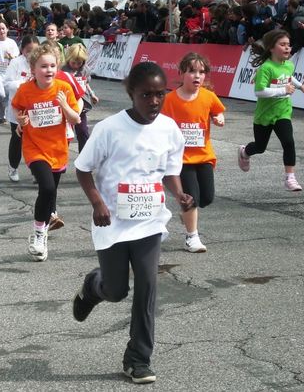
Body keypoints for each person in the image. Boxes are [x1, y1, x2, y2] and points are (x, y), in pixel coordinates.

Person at [71, 61, 193, 384]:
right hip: (111, 221)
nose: (154, 101)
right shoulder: (110, 129)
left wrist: (179, 194)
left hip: (149, 221)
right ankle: (92, 287)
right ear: (131, 94)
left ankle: (138, 358)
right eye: (146, 95)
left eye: (159, 94)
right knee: (115, 290)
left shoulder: (169, 130)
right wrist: (97, 202)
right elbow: (83, 169)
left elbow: (170, 173)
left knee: (148, 286)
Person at [12, 43, 81, 261]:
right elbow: (17, 108)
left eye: (52, 66)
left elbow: (76, 119)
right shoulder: (25, 90)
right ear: (33, 69)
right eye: (43, 66)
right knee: (47, 186)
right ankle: (39, 234)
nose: (48, 70)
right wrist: (20, 120)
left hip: (58, 148)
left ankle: (46, 229)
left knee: (51, 193)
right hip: (34, 148)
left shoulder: (64, 88)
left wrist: (65, 106)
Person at [162, 53, 225, 252]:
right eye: (191, 71)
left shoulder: (208, 97)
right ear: (181, 73)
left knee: (206, 198)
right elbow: (159, 124)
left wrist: (218, 118)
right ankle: (192, 237)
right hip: (181, 159)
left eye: (201, 72)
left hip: (204, 156)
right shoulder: (170, 99)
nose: (197, 76)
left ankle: (187, 214)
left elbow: (217, 110)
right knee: (191, 199)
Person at [238, 29, 304, 191]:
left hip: (283, 112)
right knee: (260, 147)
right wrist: (283, 91)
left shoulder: (289, 65)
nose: (287, 48)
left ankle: (290, 178)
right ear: (272, 47)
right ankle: (244, 152)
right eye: (283, 45)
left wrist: (303, 88)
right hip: (264, 115)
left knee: (288, 142)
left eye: (288, 45)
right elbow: (259, 92)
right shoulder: (266, 68)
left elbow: (290, 77)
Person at [3, 35, 40, 182]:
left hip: (36, 108)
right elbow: (7, 84)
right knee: (18, 138)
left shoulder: (41, 62)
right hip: (18, 107)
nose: (31, 54)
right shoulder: (16, 63)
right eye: (28, 50)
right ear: (22, 49)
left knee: (36, 141)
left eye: (35, 50)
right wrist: (23, 84)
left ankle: (37, 172)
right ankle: (13, 168)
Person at [61, 44, 99, 153]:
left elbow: (86, 83)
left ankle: (83, 158)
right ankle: (62, 155)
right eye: (74, 62)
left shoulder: (84, 70)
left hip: (81, 104)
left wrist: (92, 95)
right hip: (66, 106)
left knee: (83, 131)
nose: (76, 65)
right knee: (66, 133)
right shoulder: (62, 70)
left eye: (79, 63)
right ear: (69, 59)